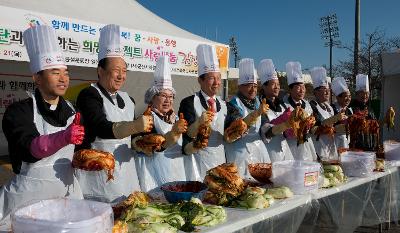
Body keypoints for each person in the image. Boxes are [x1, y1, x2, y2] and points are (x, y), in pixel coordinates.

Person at [0, 25, 84, 229]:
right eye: (55, 73)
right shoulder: (19, 111)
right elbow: (29, 149)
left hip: (66, 198)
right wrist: (63, 137)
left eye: (66, 73)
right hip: (27, 203)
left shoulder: (73, 112)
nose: (63, 79)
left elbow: (77, 152)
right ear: (36, 78)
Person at [75, 24, 152, 203]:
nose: (121, 76)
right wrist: (134, 126)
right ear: (100, 71)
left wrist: (143, 143)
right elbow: (99, 126)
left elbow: (133, 138)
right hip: (99, 177)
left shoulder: (128, 98)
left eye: (124, 71)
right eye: (116, 70)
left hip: (127, 173)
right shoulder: (89, 94)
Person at [132, 56, 187, 192]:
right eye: (163, 95)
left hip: (177, 173)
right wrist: (173, 134)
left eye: (170, 96)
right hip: (153, 176)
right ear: (152, 97)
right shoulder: (146, 118)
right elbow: (148, 148)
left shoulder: (177, 119)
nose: (167, 100)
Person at [178, 44, 227, 180]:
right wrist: (199, 122)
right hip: (197, 163)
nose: (217, 82)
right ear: (200, 80)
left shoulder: (224, 105)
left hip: (220, 163)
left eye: (218, 78)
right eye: (212, 78)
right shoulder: (188, 102)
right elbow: (187, 134)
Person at [224, 58, 270, 177]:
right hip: (240, 153)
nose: (253, 89)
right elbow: (235, 128)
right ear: (240, 86)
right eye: (249, 86)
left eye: (255, 86)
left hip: (259, 151)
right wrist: (256, 114)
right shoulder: (233, 104)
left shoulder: (259, 103)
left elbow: (265, 126)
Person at [258, 59, 294, 162]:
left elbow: (286, 134)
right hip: (269, 153)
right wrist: (283, 122)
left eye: (278, 84)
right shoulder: (261, 106)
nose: (277, 87)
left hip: (285, 151)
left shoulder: (282, 105)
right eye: (273, 84)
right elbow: (266, 133)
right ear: (264, 86)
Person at [282, 61, 318, 161]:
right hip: (291, 145)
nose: (302, 90)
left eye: (303, 87)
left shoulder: (308, 105)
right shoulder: (284, 105)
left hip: (307, 144)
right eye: (298, 87)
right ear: (290, 89)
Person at [309, 67, 346, 161]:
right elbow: (314, 129)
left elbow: (333, 128)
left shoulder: (329, 107)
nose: (327, 92)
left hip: (331, 146)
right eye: (323, 89)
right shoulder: (312, 106)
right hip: (319, 148)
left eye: (328, 89)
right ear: (315, 92)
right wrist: (334, 119)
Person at [331, 77, 353, 149]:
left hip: (347, 143)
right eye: (345, 96)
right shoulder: (332, 109)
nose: (348, 99)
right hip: (334, 144)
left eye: (349, 96)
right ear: (338, 98)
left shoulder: (349, 110)